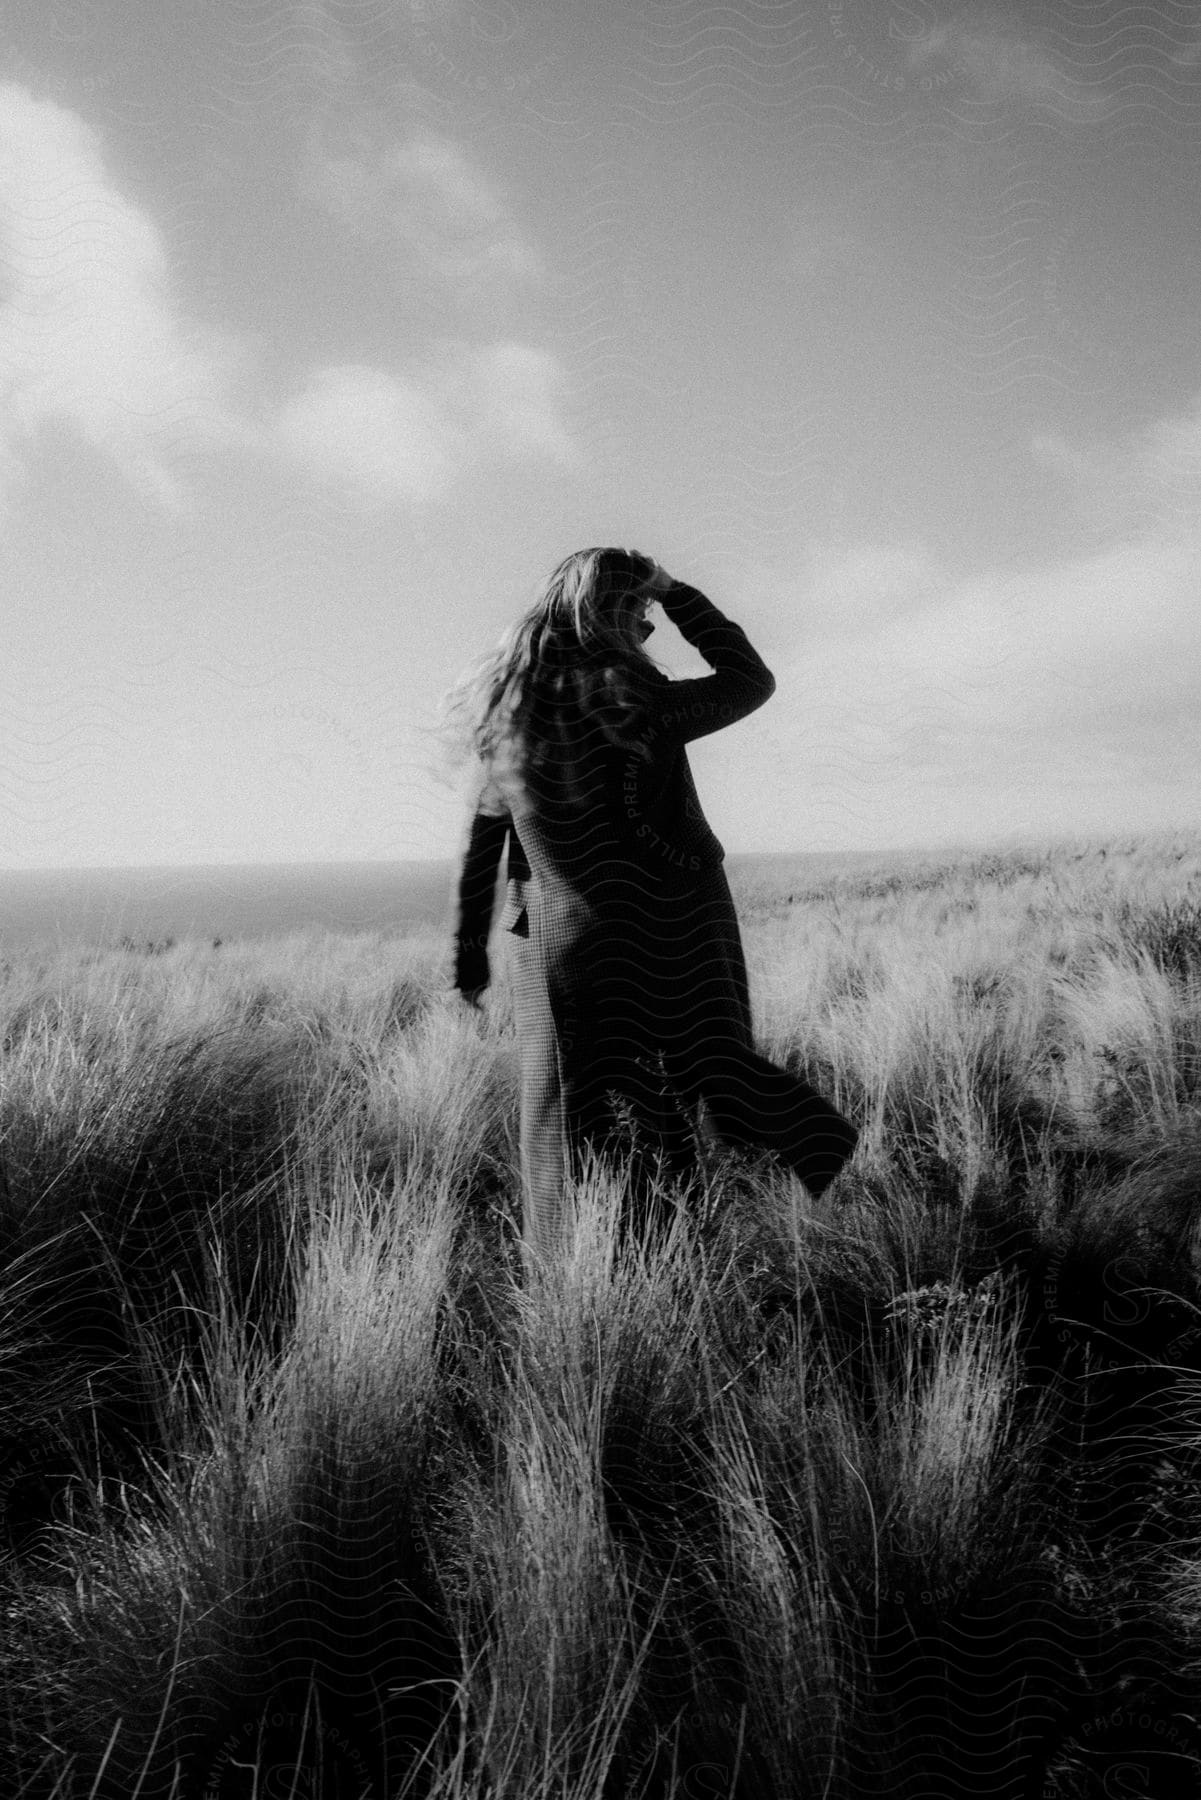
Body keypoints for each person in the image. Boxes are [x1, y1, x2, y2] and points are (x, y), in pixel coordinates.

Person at [446, 547, 857, 1268]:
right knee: (665, 1105)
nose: (647, 625)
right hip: (667, 930)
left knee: (564, 1116)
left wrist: (468, 956)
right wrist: (679, 593)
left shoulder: (507, 721)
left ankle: (573, 1282)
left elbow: (485, 845)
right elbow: (748, 680)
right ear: (609, 615)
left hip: (553, 946)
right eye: (638, 611)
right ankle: (668, 1271)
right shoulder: (644, 706)